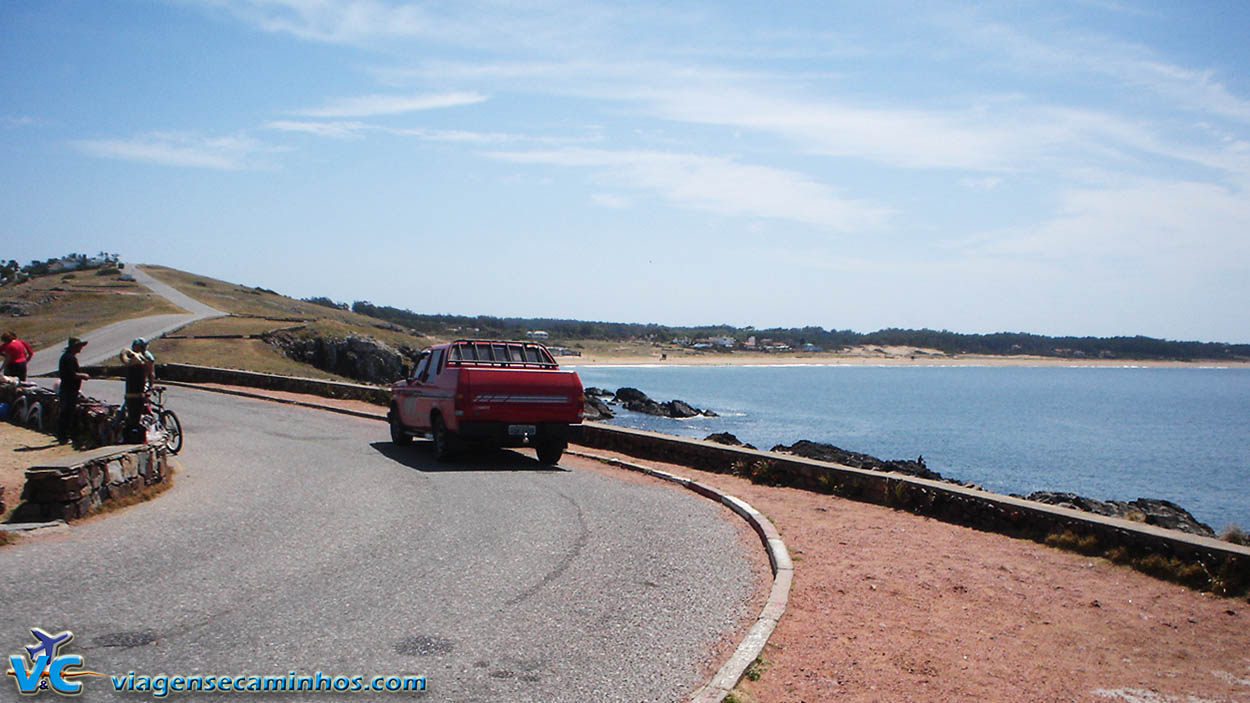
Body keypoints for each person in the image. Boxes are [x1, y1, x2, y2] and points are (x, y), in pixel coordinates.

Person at [120, 337, 156, 443]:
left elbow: (151, 373)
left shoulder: (147, 357)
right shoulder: (131, 356)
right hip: (132, 385)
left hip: (142, 384)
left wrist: (150, 386)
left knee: (139, 407)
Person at [57, 337, 89, 445]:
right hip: (68, 389)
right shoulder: (69, 358)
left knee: (68, 412)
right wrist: (82, 376)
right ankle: (64, 436)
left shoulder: (68, 357)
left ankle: (65, 435)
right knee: (67, 413)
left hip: (70, 389)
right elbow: (70, 374)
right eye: (79, 346)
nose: (81, 348)